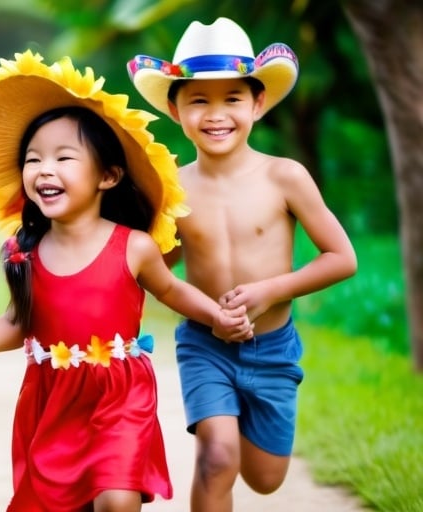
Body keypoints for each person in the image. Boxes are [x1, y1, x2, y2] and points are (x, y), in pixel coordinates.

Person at [0, 50, 253, 512]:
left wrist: (217, 316)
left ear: (108, 176)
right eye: (33, 159)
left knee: (116, 498)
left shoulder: (134, 247)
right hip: (51, 400)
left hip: (120, 394)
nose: (44, 169)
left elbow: (171, 290)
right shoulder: (23, 252)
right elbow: (19, 318)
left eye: (64, 158)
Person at [128, 17, 358, 512]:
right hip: (203, 345)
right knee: (216, 457)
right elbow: (155, 270)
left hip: (272, 349)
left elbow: (342, 258)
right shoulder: (172, 190)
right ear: (175, 109)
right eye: (198, 100)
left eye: (232, 98)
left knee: (266, 477)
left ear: (257, 103)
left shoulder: (284, 177)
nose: (216, 114)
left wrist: (270, 290)